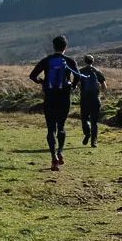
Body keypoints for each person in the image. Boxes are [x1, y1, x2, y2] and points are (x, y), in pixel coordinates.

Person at [29, 35, 81, 171]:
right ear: (66, 47)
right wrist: (73, 86)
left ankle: (53, 158)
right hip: (64, 98)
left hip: (50, 98)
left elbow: (32, 75)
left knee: (51, 128)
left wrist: (42, 82)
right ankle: (60, 152)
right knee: (61, 127)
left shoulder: (46, 61)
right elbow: (78, 76)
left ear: (53, 46)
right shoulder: (69, 61)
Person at [78, 54, 107, 147]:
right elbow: (104, 86)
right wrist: (101, 93)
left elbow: (77, 84)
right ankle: (94, 142)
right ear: (93, 61)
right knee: (94, 121)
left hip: (84, 99)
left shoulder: (81, 71)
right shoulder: (97, 71)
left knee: (84, 119)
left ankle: (87, 133)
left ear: (84, 61)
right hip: (95, 99)